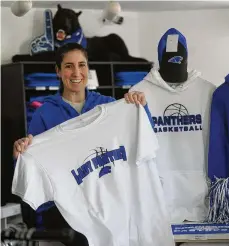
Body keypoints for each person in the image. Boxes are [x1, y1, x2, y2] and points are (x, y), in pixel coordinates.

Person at [12, 42, 150, 246]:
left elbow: (142, 135)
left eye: (82, 65)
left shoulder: (108, 106)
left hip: (106, 198)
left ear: (88, 68)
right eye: (68, 66)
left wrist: (141, 108)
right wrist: (20, 155)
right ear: (58, 71)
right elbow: (33, 168)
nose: (76, 72)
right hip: (66, 207)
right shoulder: (44, 113)